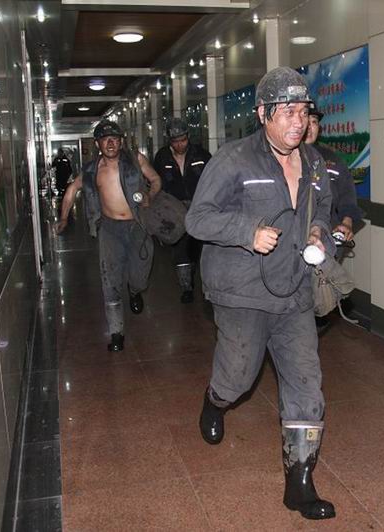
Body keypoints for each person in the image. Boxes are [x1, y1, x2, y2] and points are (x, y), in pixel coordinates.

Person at [186, 66, 337, 520]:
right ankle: (216, 399)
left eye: (303, 112)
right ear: (263, 114)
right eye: (288, 112)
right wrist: (246, 232)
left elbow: (323, 209)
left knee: (307, 383)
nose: (298, 121)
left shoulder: (313, 163)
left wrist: (319, 233)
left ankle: (300, 484)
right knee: (239, 376)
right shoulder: (232, 160)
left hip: (293, 290)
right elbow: (197, 219)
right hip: (243, 292)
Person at [56, 121, 162, 352]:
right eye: (105, 139)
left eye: (115, 138)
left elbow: (155, 180)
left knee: (140, 277)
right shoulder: (91, 170)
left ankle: (134, 290)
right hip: (110, 230)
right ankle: (116, 332)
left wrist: (149, 195)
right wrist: (63, 218)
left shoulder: (136, 160)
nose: (111, 143)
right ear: (98, 144)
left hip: (137, 226)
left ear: (121, 141)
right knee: (110, 281)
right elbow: (72, 190)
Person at [152, 117, 211, 303]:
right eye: (175, 141)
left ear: (188, 136)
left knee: (201, 248)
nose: (179, 144)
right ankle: (186, 287)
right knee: (180, 248)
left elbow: (213, 180)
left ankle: (207, 288)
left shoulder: (201, 155)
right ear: (169, 141)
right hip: (174, 210)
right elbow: (156, 184)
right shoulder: (162, 158)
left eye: (183, 140)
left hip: (199, 207)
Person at [303, 108, 364, 251]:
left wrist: (347, 223)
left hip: (325, 240)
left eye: (314, 122)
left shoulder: (333, 160)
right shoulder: (282, 158)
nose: (310, 127)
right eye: (306, 121)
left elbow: (347, 196)